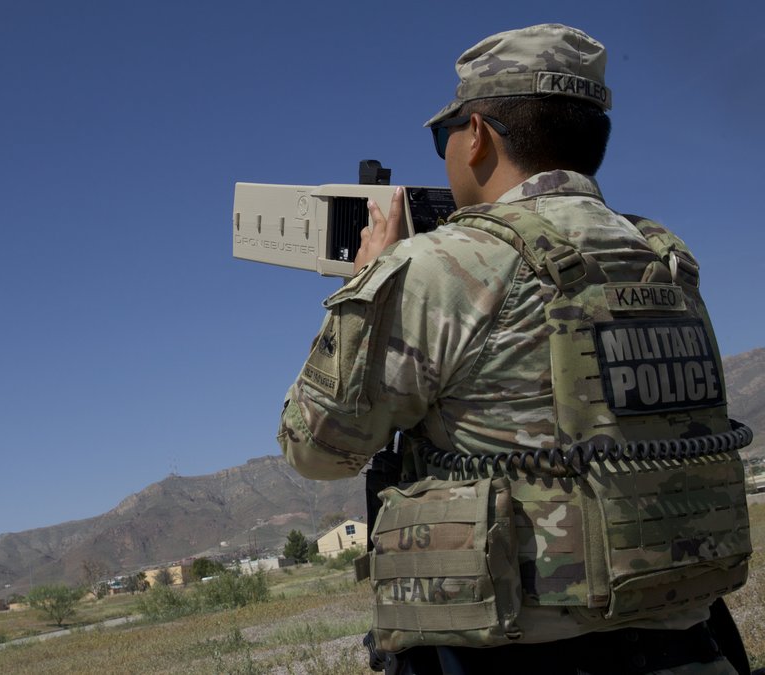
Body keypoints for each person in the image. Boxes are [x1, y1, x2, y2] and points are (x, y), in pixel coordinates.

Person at [277, 24, 753, 675]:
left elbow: (317, 445)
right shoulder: (664, 257)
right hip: (693, 650)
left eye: (443, 133)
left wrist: (369, 290)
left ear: (476, 136)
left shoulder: (443, 267)